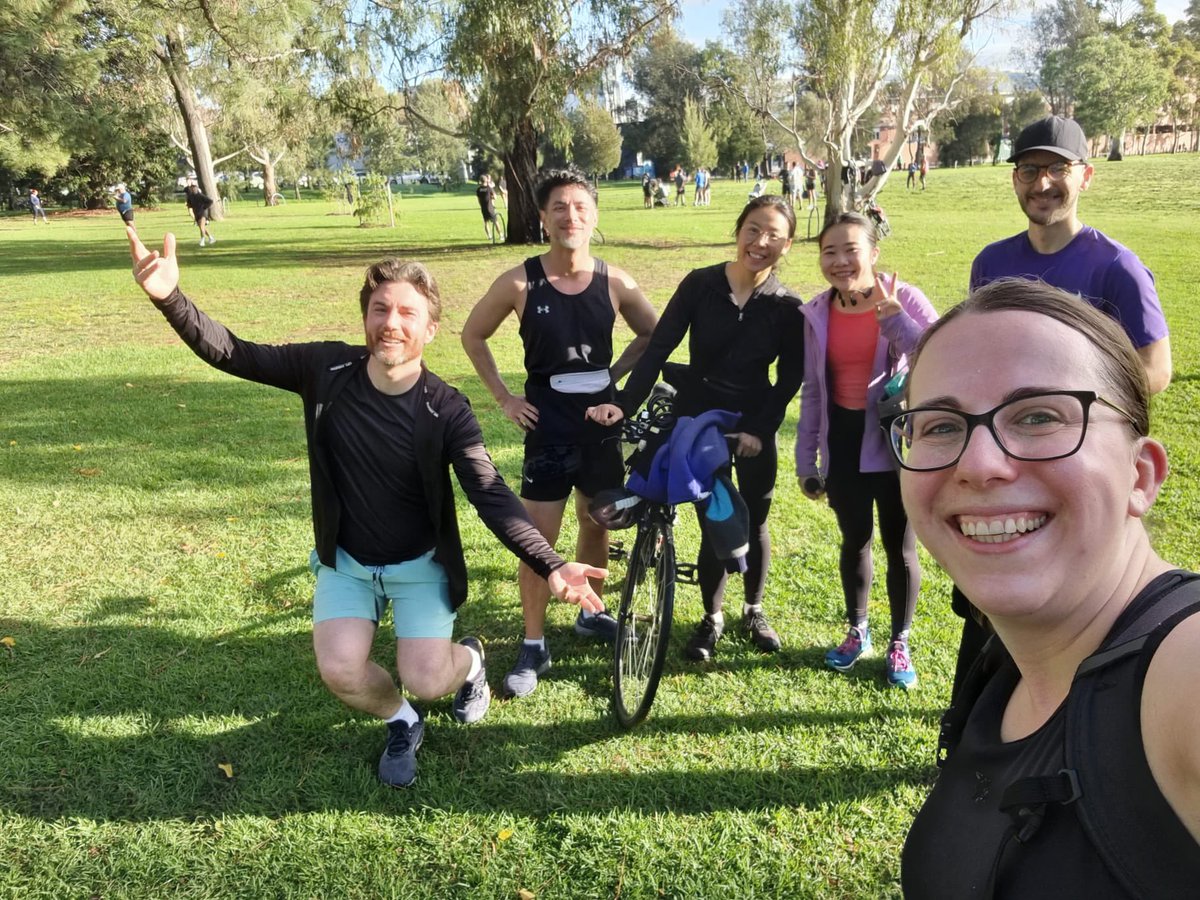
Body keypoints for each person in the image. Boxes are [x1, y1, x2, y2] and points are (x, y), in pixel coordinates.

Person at [125, 228, 606, 788]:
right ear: (365, 317)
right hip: (346, 563)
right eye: (380, 309)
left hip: (418, 565)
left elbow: (489, 492)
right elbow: (235, 354)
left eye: (407, 312)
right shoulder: (326, 371)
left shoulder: (447, 409)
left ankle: (470, 663)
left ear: (429, 327)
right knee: (341, 669)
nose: (391, 324)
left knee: (428, 678)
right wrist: (170, 298)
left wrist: (551, 563)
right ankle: (401, 720)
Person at [895, 279, 1200, 896]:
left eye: (1038, 416)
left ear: (1141, 475)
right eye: (939, 426)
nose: (978, 464)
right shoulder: (1006, 669)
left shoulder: (1184, 675)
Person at [461, 169, 658, 699]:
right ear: (544, 218)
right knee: (537, 540)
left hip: (601, 428)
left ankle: (590, 615)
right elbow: (472, 335)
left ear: (594, 216)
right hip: (546, 427)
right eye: (559, 208)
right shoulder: (520, 282)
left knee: (597, 522)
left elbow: (653, 335)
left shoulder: (615, 281)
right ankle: (533, 644)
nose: (571, 216)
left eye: (580, 207)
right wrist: (505, 397)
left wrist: (614, 384)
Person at [589, 195, 806, 660]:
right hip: (696, 410)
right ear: (738, 229)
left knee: (753, 515)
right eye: (753, 229)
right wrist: (625, 403)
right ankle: (712, 618)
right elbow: (659, 345)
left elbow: (789, 377)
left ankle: (753, 608)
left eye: (773, 235)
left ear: (787, 245)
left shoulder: (788, 306)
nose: (760, 242)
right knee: (713, 515)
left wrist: (760, 430)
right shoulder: (700, 284)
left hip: (751, 419)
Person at [796, 212, 937, 688]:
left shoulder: (906, 297)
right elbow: (813, 392)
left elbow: (940, 358)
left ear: (873, 253)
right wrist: (805, 460)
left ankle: (901, 639)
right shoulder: (817, 311)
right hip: (843, 441)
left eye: (850, 249)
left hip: (896, 439)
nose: (838, 260)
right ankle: (858, 630)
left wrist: (895, 321)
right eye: (828, 251)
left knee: (900, 546)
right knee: (854, 539)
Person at [970, 115, 1171, 395]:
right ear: (1015, 180)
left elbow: (1156, 369)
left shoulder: (1117, 267)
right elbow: (978, 351)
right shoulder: (990, 264)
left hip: (1084, 432)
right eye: (1029, 170)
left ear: (1086, 176)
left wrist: (1072, 405)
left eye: (1058, 168)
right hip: (1005, 429)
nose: (1042, 184)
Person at [475, 174, 500, 239]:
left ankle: (489, 236)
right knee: (495, 221)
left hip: (483, 208)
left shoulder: (478, 189)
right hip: (490, 207)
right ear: (486, 180)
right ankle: (500, 235)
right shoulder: (489, 188)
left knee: (486, 222)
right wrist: (491, 197)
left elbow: (479, 200)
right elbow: (495, 197)